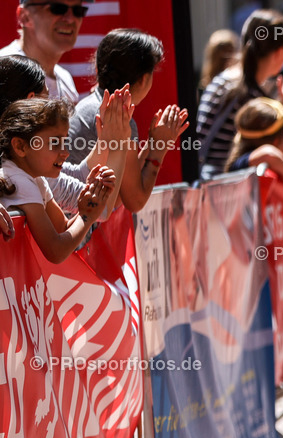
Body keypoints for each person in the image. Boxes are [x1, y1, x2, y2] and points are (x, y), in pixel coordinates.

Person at [68, 29, 189, 213]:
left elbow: (122, 187)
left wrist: (153, 143)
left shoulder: (95, 106)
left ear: (98, 68)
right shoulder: (118, 116)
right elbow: (134, 200)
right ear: (144, 79)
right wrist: (159, 149)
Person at [0, 99, 114, 263]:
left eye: (65, 141)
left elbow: (62, 228)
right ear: (20, 146)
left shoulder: (36, 179)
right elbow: (55, 250)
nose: (65, 152)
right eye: (55, 142)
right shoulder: (19, 181)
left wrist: (90, 201)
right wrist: (87, 216)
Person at [196, 9, 283, 179]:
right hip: (227, 186)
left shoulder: (222, 81)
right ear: (279, 52)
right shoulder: (250, 98)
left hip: (207, 180)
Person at [0, 0, 87, 103]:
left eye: (78, 11)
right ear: (24, 16)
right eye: (57, 9)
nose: (70, 19)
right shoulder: (4, 71)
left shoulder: (65, 78)